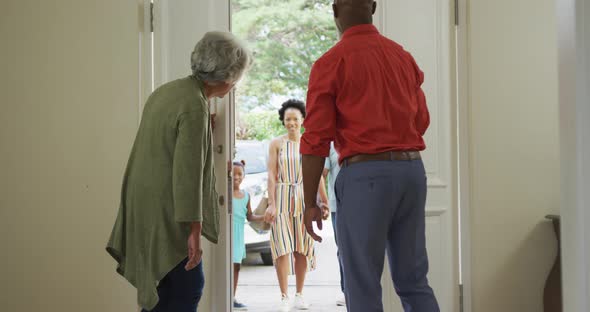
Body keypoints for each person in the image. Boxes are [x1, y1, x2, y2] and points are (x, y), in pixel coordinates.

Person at [299, 1, 441, 311]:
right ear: (373, 7)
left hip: (365, 177)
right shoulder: (402, 57)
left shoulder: (331, 63)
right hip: (411, 172)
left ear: (335, 10)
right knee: (414, 280)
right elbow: (421, 121)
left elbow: (315, 140)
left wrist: (310, 202)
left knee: (361, 282)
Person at [106, 31, 252, 312]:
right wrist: (194, 232)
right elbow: (188, 175)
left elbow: (164, 148)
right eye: (237, 77)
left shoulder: (167, 92)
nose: (235, 84)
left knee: (162, 292)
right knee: (187, 288)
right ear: (227, 77)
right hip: (168, 211)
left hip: (142, 206)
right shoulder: (194, 106)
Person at [264, 99, 330, 312]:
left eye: (295, 119)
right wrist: (271, 204)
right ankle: (284, 296)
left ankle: (300, 294)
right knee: (281, 248)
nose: (291, 123)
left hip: (304, 197)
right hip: (282, 197)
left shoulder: (309, 143)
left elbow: (317, 175)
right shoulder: (277, 144)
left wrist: (324, 201)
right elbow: (272, 175)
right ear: (283, 121)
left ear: (303, 120)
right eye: (287, 119)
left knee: (302, 248)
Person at [232, 160, 265, 311]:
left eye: (239, 174)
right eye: (233, 173)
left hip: (239, 236)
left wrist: (264, 217)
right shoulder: (225, 195)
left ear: (244, 176)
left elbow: (250, 217)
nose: (236, 176)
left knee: (236, 267)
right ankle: (225, 295)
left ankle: (232, 297)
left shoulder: (246, 196)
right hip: (229, 235)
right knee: (227, 266)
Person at [322, 142, 346, 307]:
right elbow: (321, 175)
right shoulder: (330, 145)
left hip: (363, 202)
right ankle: (347, 290)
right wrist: (321, 202)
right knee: (343, 250)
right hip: (338, 206)